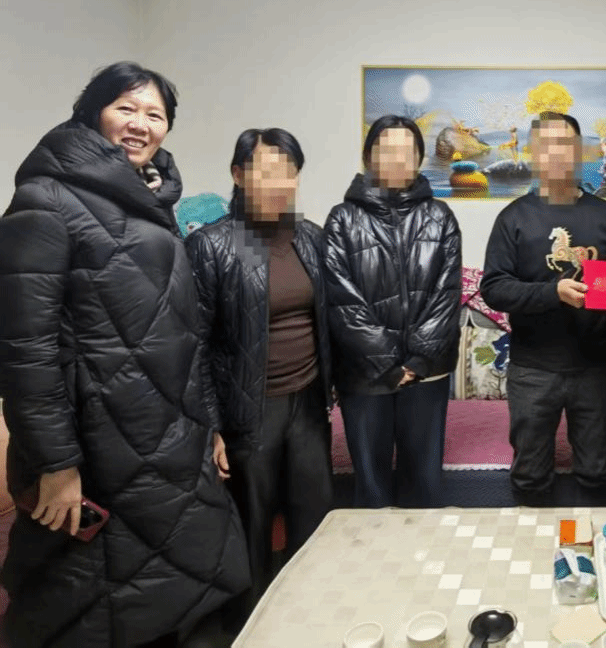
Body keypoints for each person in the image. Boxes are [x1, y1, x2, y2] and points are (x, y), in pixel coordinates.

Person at [0, 61, 247, 648]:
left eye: (155, 115)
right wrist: (56, 465)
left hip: (167, 431)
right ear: (93, 111)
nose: (141, 124)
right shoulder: (44, 200)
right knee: (95, 596)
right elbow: (25, 351)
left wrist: (208, 425)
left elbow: (181, 331)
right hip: (98, 443)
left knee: (178, 575)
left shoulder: (151, 203)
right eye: (126, 108)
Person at [185, 128, 334, 623]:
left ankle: (309, 616)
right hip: (248, 411)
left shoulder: (309, 237)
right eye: (266, 171)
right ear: (238, 174)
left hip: (307, 402)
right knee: (251, 525)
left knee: (314, 519)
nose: (279, 183)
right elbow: (194, 344)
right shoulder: (212, 245)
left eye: (289, 172)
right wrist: (211, 427)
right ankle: (251, 624)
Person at [481, 112, 606, 505]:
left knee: (597, 471)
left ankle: (597, 541)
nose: (556, 153)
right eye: (546, 145)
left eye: (565, 144)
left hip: (595, 367)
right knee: (530, 476)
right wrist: (553, 293)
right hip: (533, 369)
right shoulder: (513, 218)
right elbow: (494, 289)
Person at [325, 115, 462, 508]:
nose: (398, 159)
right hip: (365, 376)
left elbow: (446, 295)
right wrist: (387, 363)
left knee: (425, 486)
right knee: (372, 491)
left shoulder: (440, 217)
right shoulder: (342, 219)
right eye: (388, 150)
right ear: (369, 156)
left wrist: (417, 361)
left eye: (407, 151)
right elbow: (342, 300)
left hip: (427, 373)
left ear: (419, 158)